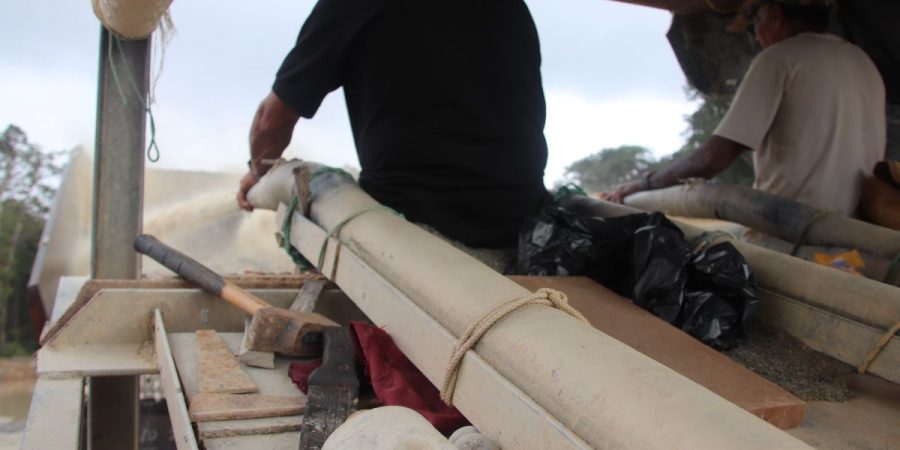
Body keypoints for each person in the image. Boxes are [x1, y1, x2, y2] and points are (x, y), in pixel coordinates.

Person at [237, 0, 550, 249]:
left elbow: (272, 121)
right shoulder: (512, 7)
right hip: (521, 223)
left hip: (410, 220)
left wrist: (258, 173)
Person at [602, 0, 886, 218]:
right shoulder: (864, 62)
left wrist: (642, 186)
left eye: (752, 20)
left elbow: (713, 158)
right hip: (854, 229)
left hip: (792, 231)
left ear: (773, 14)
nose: (755, 34)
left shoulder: (779, 58)